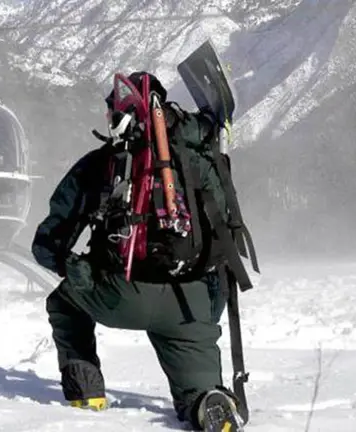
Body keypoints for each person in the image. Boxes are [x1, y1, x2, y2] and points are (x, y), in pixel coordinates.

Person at [31, 71, 245, 431]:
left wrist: (73, 267)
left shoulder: (103, 163)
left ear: (118, 115)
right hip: (191, 305)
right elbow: (225, 238)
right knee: (198, 389)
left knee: (63, 303)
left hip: (121, 294)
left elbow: (49, 242)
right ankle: (206, 400)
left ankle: (87, 393)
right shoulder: (201, 163)